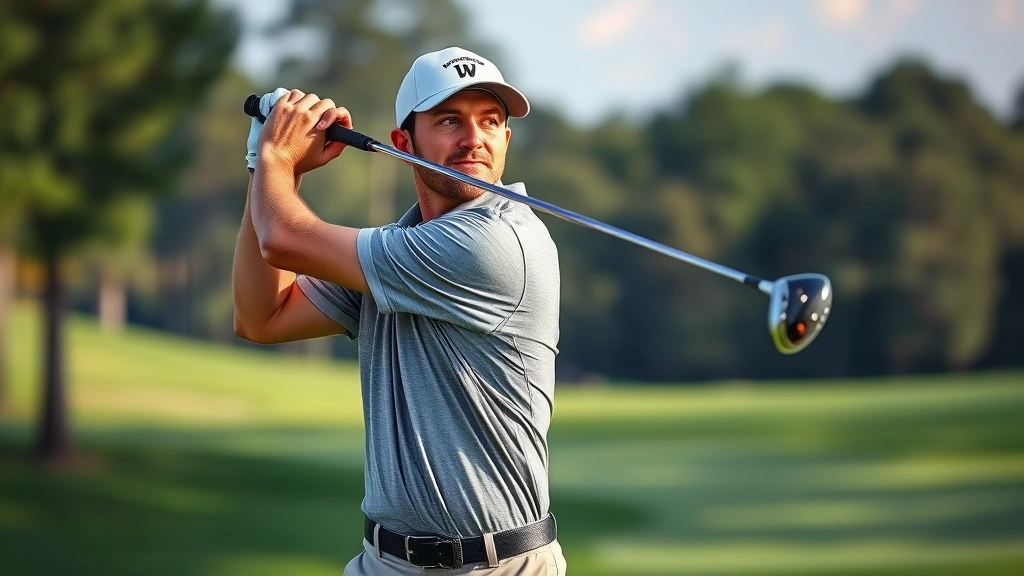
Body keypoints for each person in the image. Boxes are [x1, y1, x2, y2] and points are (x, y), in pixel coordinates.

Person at [232, 46, 566, 575]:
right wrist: (267, 170)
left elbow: (281, 239)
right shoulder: (404, 247)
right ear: (402, 144)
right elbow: (261, 317)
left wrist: (276, 157)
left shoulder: (497, 241)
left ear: (506, 138)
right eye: (450, 120)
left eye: (491, 121)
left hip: (494, 566)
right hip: (383, 562)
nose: (473, 139)